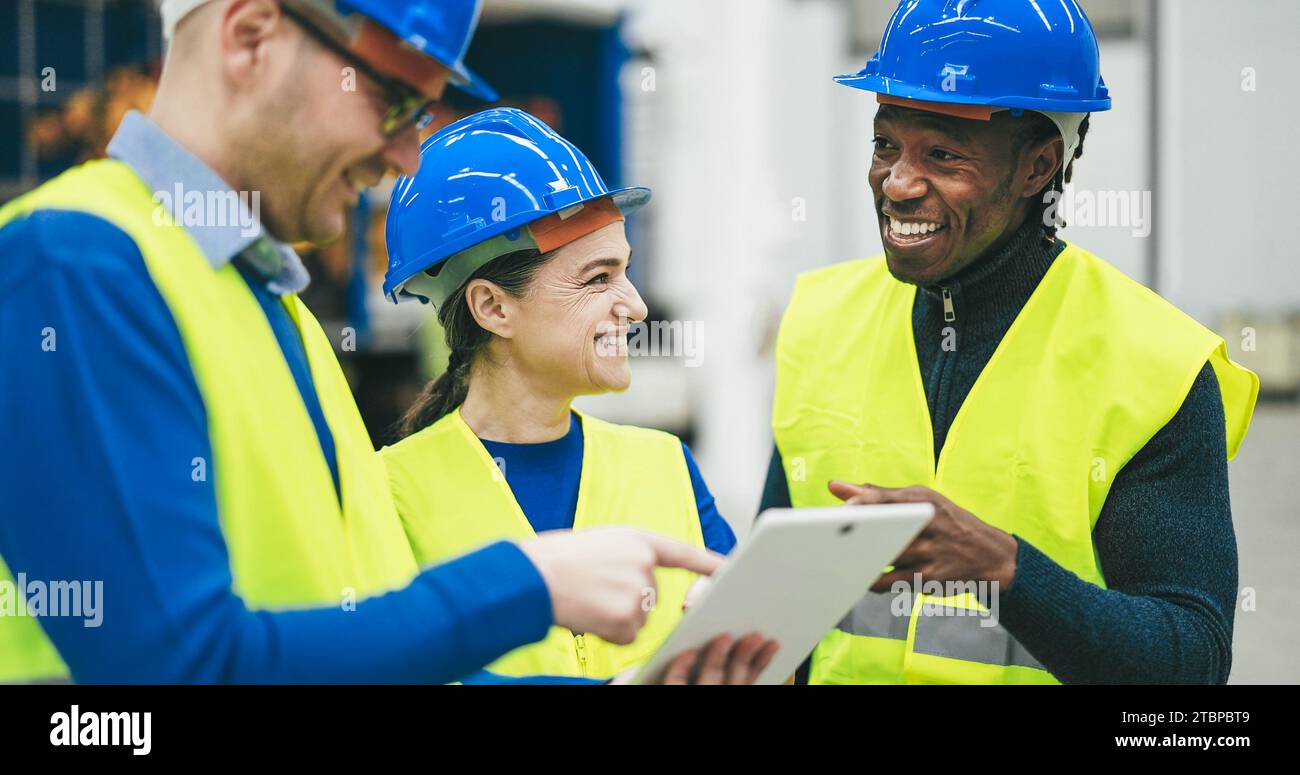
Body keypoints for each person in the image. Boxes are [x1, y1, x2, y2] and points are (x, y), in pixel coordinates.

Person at [0, 0, 744, 684]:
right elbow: (179, 671)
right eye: (391, 101)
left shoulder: (280, 318)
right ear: (250, 35)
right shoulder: (73, 264)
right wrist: (528, 584)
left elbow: (371, 654)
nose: (406, 156)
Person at [763, 0, 1258, 684]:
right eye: (885, 145)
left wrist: (1006, 567)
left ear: (1037, 168)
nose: (897, 183)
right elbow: (777, 609)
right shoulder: (820, 322)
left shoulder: (1154, 365)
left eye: (942, 154)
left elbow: (1190, 661)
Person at [380, 107, 774, 681]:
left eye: (626, 271)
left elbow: (762, 651)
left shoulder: (665, 465)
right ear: (493, 307)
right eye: (598, 278)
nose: (636, 307)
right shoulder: (388, 491)